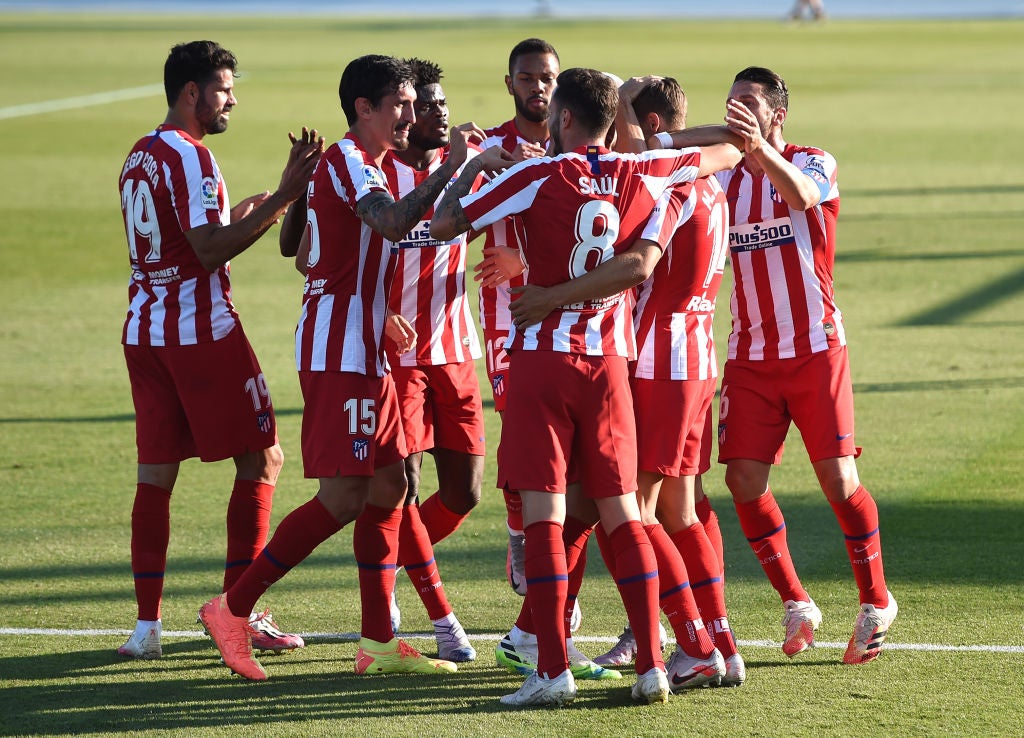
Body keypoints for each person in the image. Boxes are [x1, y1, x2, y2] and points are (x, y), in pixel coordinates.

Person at [431, 67, 742, 706]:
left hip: (543, 363)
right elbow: (730, 149)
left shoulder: (535, 175)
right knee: (624, 510)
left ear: (564, 119)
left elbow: (443, 225)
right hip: (611, 368)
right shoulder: (647, 172)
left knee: (546, 514)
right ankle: (654, 664)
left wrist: (471, 163)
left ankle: (550, 667)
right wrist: (673, 140)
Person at [198, 54, 476, 681]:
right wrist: (454, 169)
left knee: (391, 487)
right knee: (345, 496)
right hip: (340, 351)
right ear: (364, 110)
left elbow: (317, 247)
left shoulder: (369, 163)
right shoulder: (350, 161)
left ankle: (378, 642)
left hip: (365, 345)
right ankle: (231, 607)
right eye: (401, 105)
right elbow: (396, 221)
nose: (412, 115)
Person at [654, 66, 897, 665]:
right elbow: (658, 148)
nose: (737, 112)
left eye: (750, 104)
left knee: (839, 482)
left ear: (778, 114)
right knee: (742, 481)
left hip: (816, 350)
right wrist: (724, 137)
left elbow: (804, 196)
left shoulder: (814, 161)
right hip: (751, 357)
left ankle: (876, 600)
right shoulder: (729, 174)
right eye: (731, 103)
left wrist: (756, 146)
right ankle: (796, 602)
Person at [116, 40, 322, 660]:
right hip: (202, 333)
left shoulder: (140, 154)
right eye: (224, 89)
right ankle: (241, 610)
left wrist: (241, 213)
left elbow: (174, 243)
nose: (231, 99)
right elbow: (208, 252)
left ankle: (146, 628)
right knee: (263, 462)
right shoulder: (193, 156)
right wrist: (286, 195)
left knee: (156, 474)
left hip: (145, 332)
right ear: (192, 93)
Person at [381, 57, 484, 661]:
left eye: (444, 101)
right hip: (401, 357)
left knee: (466, 492)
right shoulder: (381, 178)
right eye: (428, 103)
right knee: (406, 487)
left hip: (456, 349)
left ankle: (390, 561)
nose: (440, 110)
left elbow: (492, 218)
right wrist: (374, 316)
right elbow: (337, 259)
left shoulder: (464, 170)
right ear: (405, 113)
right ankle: (439, 618)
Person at [469, 38, 560, 599]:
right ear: (510, 84)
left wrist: (524, 259)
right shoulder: (493, 148)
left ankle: (557, 563)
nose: (538, 87)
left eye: (547, 77)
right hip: (508, 317)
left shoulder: (573, 141)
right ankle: (520, 535)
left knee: (569, 448)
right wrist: (488, 172)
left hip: (574, 310)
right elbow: (457, 223)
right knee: (521, 434)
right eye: (527, 78)